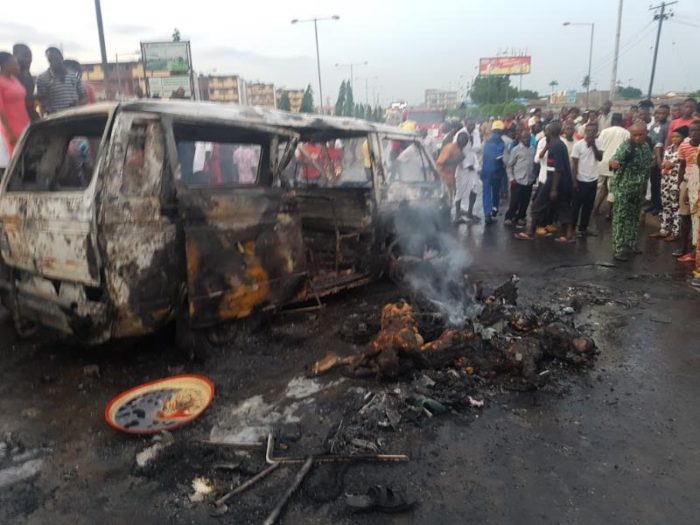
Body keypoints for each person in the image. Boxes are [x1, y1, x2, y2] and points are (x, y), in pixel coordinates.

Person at [516, 122, 574, 241]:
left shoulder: (556, 146)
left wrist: (553, 189)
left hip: (554, 179)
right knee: (563, 207)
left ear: (551, 132)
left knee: (537, 204)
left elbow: (558, 169)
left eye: (546, 130)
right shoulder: (558, 144)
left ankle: (530, 232)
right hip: (561, 180)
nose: (544, 132)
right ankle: (568, 235)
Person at [608, 122, 654, 261]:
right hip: (624, 188)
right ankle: (618, 248)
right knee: (620, 218)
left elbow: (647, 165)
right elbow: (614, 160)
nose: (637, 138)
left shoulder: (646, 146)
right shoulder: (627, 146)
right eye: (635, 135)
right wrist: (613, 163)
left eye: (641, 135)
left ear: (646, 133)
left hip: (638, 188)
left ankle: (631, 242)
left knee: (634, 217)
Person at [650, 125, 687, 241]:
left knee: (675, 206)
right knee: (666, 204)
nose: (674, 138)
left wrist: (672, 164)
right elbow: (664, 162)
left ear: (683, 137)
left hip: (676, 180)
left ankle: (676, 232)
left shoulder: (684, 149)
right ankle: (664, 230)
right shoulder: (669, 148)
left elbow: (683, 164)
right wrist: (664, 165)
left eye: (678, 136)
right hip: (666, 179)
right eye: (673, 136)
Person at [571, 123, 604, 237]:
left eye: (593, 131)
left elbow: (600, 158)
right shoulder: (578, 145)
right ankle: (572, 229)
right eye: (589, 130)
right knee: (576, 206)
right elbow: (574, 165)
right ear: (585, 131)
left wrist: (593, 146)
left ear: (596, 132)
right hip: (580, 180)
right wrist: (574, 182)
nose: (591, 133)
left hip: (593, 179)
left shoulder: (599, 143)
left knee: (588, 206)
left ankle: (583, 228)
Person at [594, 113, 630, 218]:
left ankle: (595, 208)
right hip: (615, 163)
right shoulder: (626, 133)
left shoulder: (604, 131)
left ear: (611, 121)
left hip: (602, 162)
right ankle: (608, 212)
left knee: (599, 186)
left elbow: (598, 146)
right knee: (612, 189)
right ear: (621, 121)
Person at [674, 121, 700, 262]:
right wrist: (679, 187)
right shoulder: (684, 146)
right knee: (685, 218)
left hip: (698, 185)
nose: (694, 133)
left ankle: (695, 249)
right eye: (691, 130)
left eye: (697, 130)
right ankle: (683, 247)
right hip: (686, 182)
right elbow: (682, 167)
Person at [36, 47, 87, 114]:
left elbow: (83, 96)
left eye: (56, 59)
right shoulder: (42, 78)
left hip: (75, 115)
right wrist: (55, 112)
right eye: (51, 60)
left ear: (61, 57)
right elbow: (43, 102)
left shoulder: (74, 75)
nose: (54, 62)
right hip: (57, 117)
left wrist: (77, 105)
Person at [0, 52, 31, 156]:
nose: (18, 66)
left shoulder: (14, 80)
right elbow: (1, 110)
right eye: (15, 63)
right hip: (11, 127)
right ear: (5, 65)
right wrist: (9, 133)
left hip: (24, 123)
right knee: (17, 156)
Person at [504, 128, 536, 227]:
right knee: (514, 201)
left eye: (528, 137)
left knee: (525, 201)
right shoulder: (516, 150)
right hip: (517, 180)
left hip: (529, 180)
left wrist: (534, 176)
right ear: (521, 138)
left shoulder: (533, 149)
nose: (526, 139)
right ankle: (509, 217)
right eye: (524, 137)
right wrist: (511, 178)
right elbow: (509, 166)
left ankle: (521, 217)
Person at [453, 120, 482, 221]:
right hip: (462, 167)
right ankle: (457, 215)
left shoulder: (476, 133)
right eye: (470, 125)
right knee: (460, 190)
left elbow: (478, 148)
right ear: (466, 124)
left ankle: (470, 213)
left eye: (473, 125)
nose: (472, 127)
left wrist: (475, 165)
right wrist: (465, 165)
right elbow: (456, 150)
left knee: (474, 188)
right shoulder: (460, 134)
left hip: (474, 165)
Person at [480, 120, 506, 224]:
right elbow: (499, 158)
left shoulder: (486, 142)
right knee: (496, 191)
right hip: (496, 171)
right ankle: (494, 209)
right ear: (502, 131)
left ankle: (487, 214)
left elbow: (483, 157)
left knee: (486, 192)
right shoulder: (501, 142)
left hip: (485, 171)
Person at [646, 104, 670, 215]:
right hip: (652, 158)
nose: (661, 115)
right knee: (653, 182)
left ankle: (659, 206)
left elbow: (661, 144)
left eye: (664, 113)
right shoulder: (653, 126)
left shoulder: (668, 127)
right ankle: (653, 203)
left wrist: (660, 159)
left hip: (661, 158)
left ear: (668, 114)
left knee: (659, 183)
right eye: (659, 113)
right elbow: (650, 141)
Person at [436, 132, 468, 211]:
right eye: (462, 141)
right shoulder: (449, 147)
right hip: (443, 178)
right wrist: (456, 159)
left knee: (450, 201)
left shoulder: (459, 149)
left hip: (452, 179)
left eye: (465, 142)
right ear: (458, 140)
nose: (463, 144)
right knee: (444, 202)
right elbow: (440, 163)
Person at [12, 44, 38, 122]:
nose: (29, 59)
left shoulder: (27, 73)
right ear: (14, 56)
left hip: (30, 114)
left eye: (30, 56)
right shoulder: (8, 77)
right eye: (25, 56)